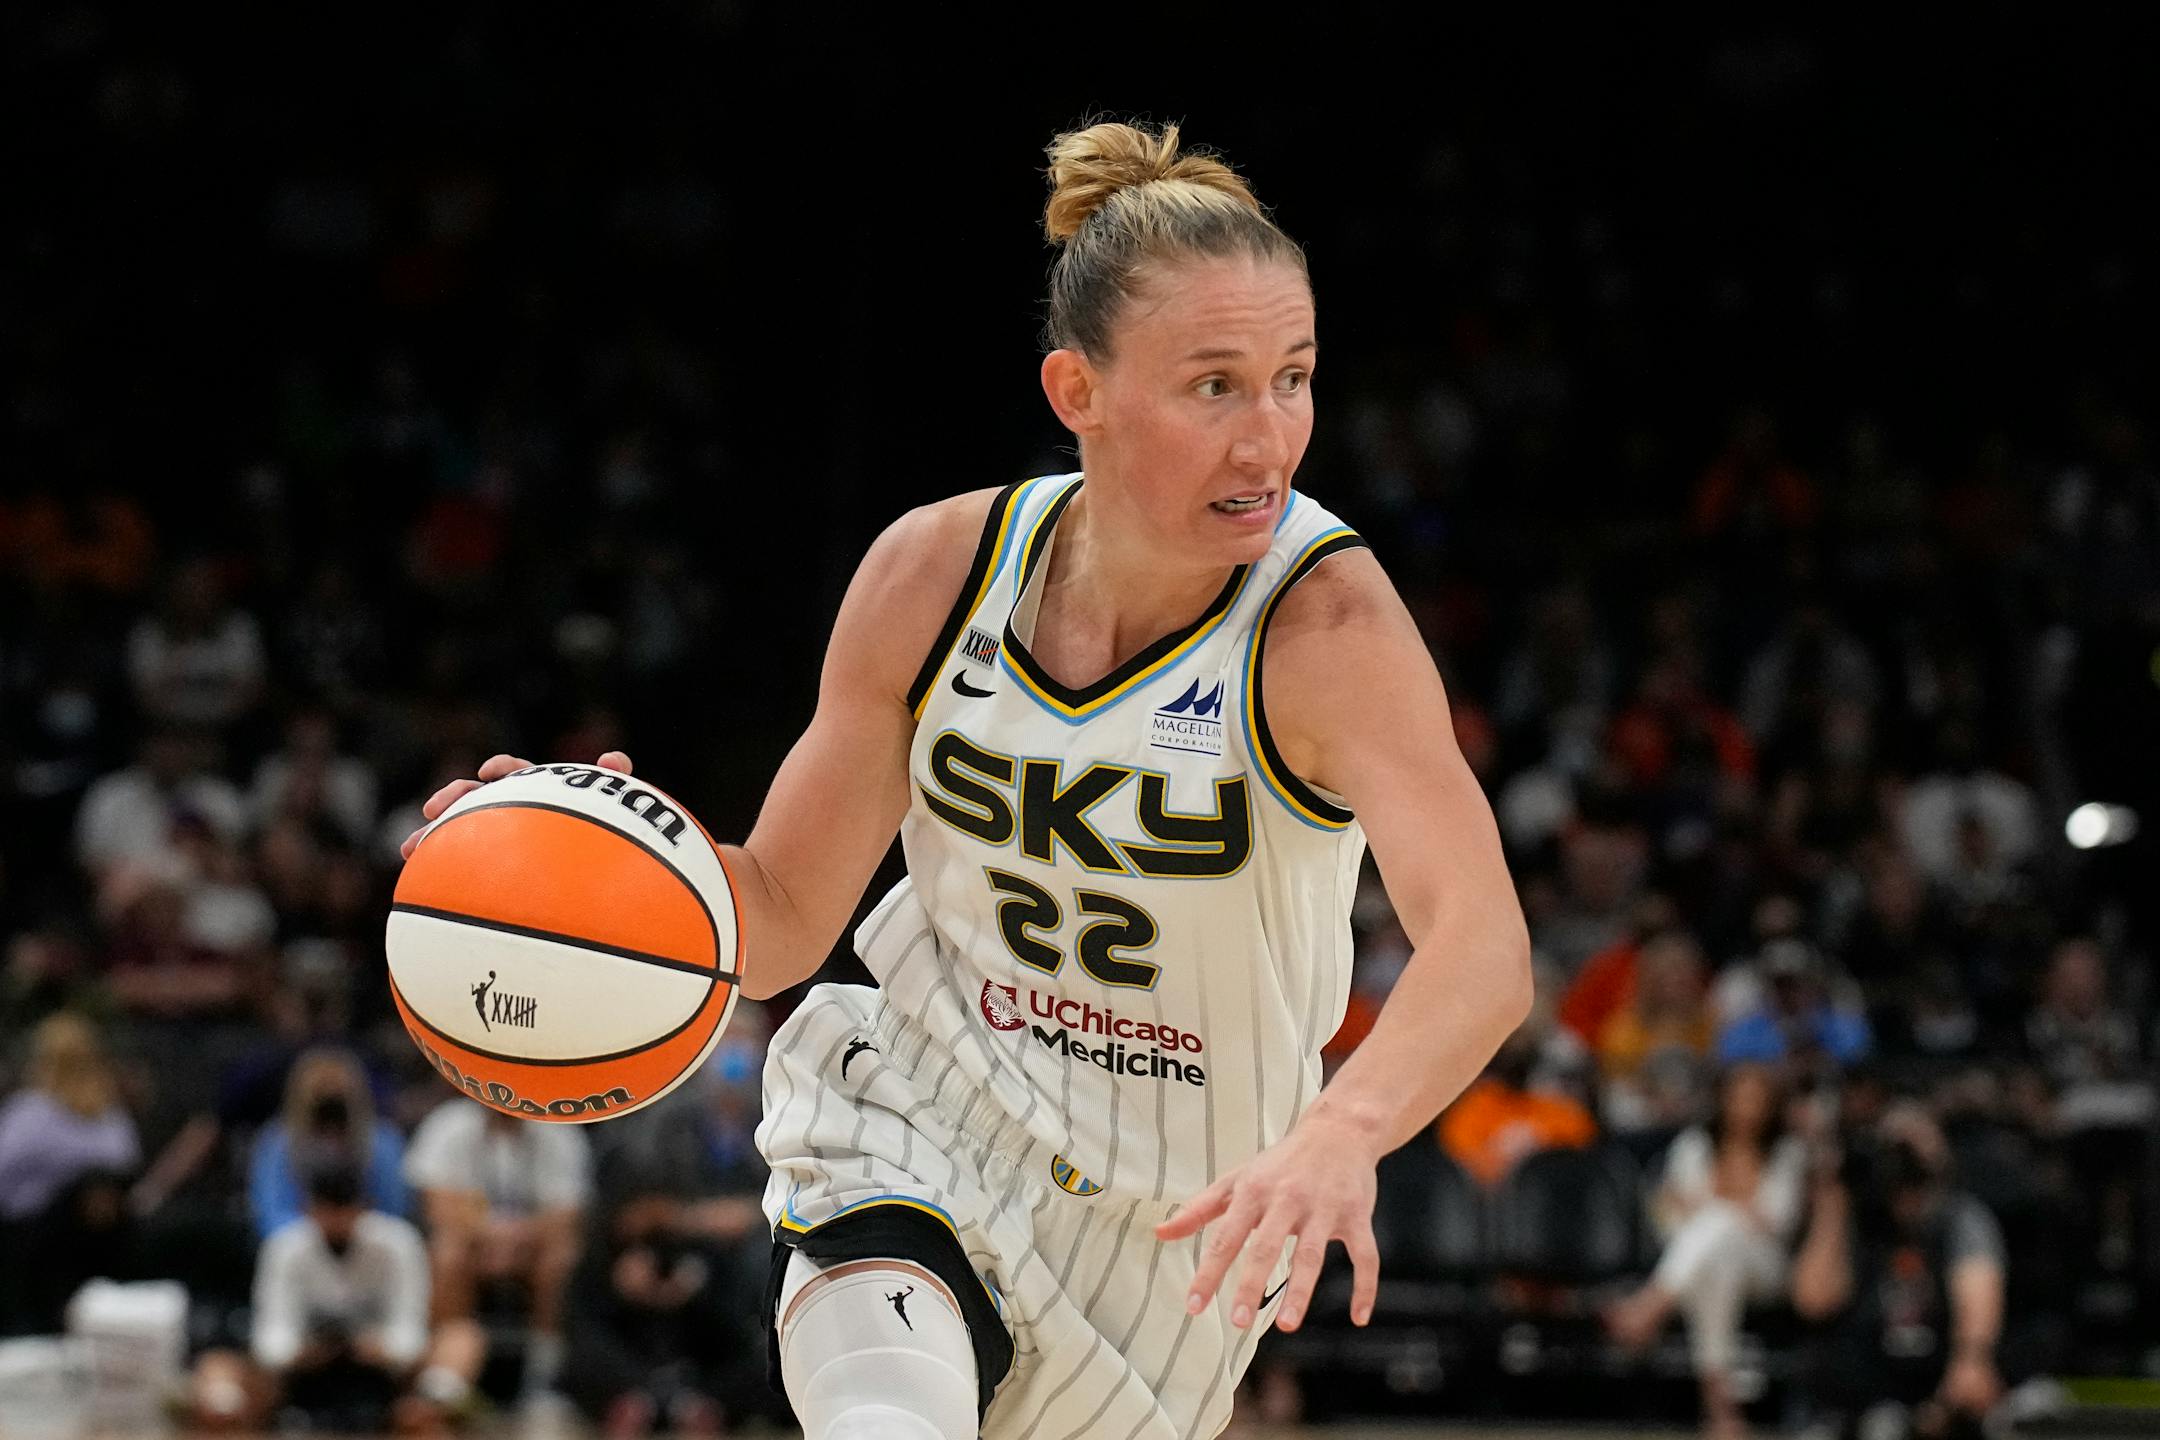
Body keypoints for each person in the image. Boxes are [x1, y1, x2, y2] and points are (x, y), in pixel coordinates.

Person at [405, 118, 1530, 1440]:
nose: (1268, 437)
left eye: (1295, 378)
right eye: (1213, 385)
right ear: (1079, 393)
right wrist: (606, 862)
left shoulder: (1325, 632)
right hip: (924, 1116)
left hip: (1177, 1221)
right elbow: (775, 923)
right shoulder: (933, 576)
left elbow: (1485, 946)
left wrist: (1347, 1132)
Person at [1606, 1063, 1809, 1440]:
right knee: (1718, 1264)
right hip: (1709, 1264)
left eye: (1757, 1098)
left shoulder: (1787, 1153)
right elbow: (1670, 1217)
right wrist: (1733, 1207)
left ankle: (1651, 1304)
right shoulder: (1694, 1145)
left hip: (1766, 1266)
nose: (1747, 1106)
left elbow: (1779, 1223)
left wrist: (1715, 1206)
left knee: (1720, 1222)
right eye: (1740, 1096)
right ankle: (1721, 1410)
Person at [1791, 1103, 2007, 1440]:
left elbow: (1978, 1295)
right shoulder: (1854, 1216)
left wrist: (1972, 1359)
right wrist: (1833, 1198)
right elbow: (1813, 1300)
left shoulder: (1959, 1217)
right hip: (1858, 1389)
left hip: (1931, 1387)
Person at [190, 1159, 438, 1434]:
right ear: (308, 1207)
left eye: (344, 1208)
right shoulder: (285, 1248)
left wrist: (379, 1348)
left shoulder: (399, 1244)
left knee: (456, 1348)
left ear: (364, 1206)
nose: (335, 1219)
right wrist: (303, 1352)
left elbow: (412, 1328)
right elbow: (271, 1333)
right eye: (326, 1209)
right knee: (219, 1374)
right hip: (299, 1374)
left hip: (382, 1374)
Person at [401, 1095, 592, 1403]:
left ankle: (547, 1375)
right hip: (473, 1247)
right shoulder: (447, 1124)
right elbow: (438, 1204)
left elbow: (566, 1214)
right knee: (447, 1252)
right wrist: (490, 1234)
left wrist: (515, 1238)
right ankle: (447, 1371)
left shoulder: (559, 1131)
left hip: (532, 1249)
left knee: (562, 1257)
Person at [0, 1013, 142, 1334]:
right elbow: (127, 1162)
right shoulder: (110, 1117)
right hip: (93, 1258)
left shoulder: (29, 1113)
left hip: (35, 1257)